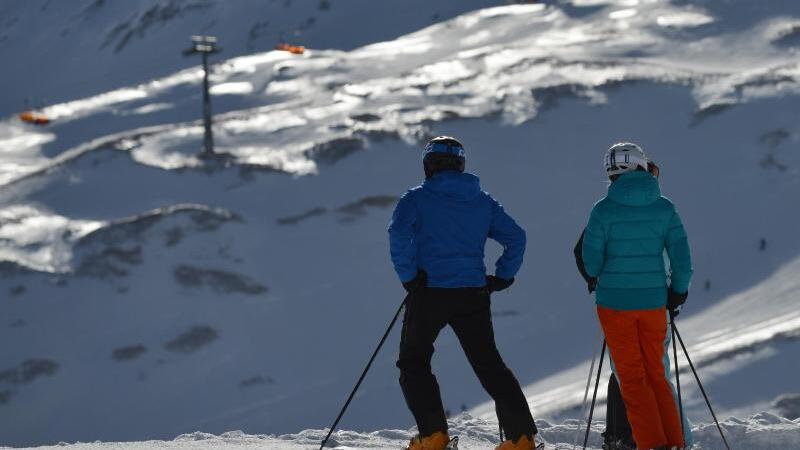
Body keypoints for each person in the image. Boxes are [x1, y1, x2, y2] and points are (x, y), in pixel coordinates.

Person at [388, 136, 539, 450]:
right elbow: (517, 237)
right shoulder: (482, 201)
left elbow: (398, 234)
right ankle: (521, 438)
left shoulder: (415, 199)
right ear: (460, 165)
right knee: (489, 363)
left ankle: (433, 436)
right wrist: (503, 276)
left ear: (428, 166)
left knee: (414, 362)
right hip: (473, 292)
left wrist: (408, 276)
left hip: (429, 291)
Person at [573, 160, 693, 450]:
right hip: (655, 304)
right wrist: (676, 293)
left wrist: (597, 279)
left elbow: (590, 260)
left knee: (631, 379)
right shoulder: (664, 207)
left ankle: (650, 443)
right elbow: (682, 260)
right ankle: (677, 442)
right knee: (658, 376)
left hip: (615, 304)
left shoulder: (602, 210)